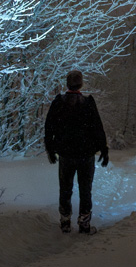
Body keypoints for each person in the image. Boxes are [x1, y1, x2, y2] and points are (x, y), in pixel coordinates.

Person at [44, 69, 110, 233]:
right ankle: (84, 222)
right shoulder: (88, 103)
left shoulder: (59, 102)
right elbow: (98, 128)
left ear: (67, 84)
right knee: (85, 189)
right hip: (85, 154)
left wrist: (50, 149)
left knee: (65, 188)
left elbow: (49, 127)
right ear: (81, 84)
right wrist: (103, 149)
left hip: (66, 153)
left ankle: (65, 222)